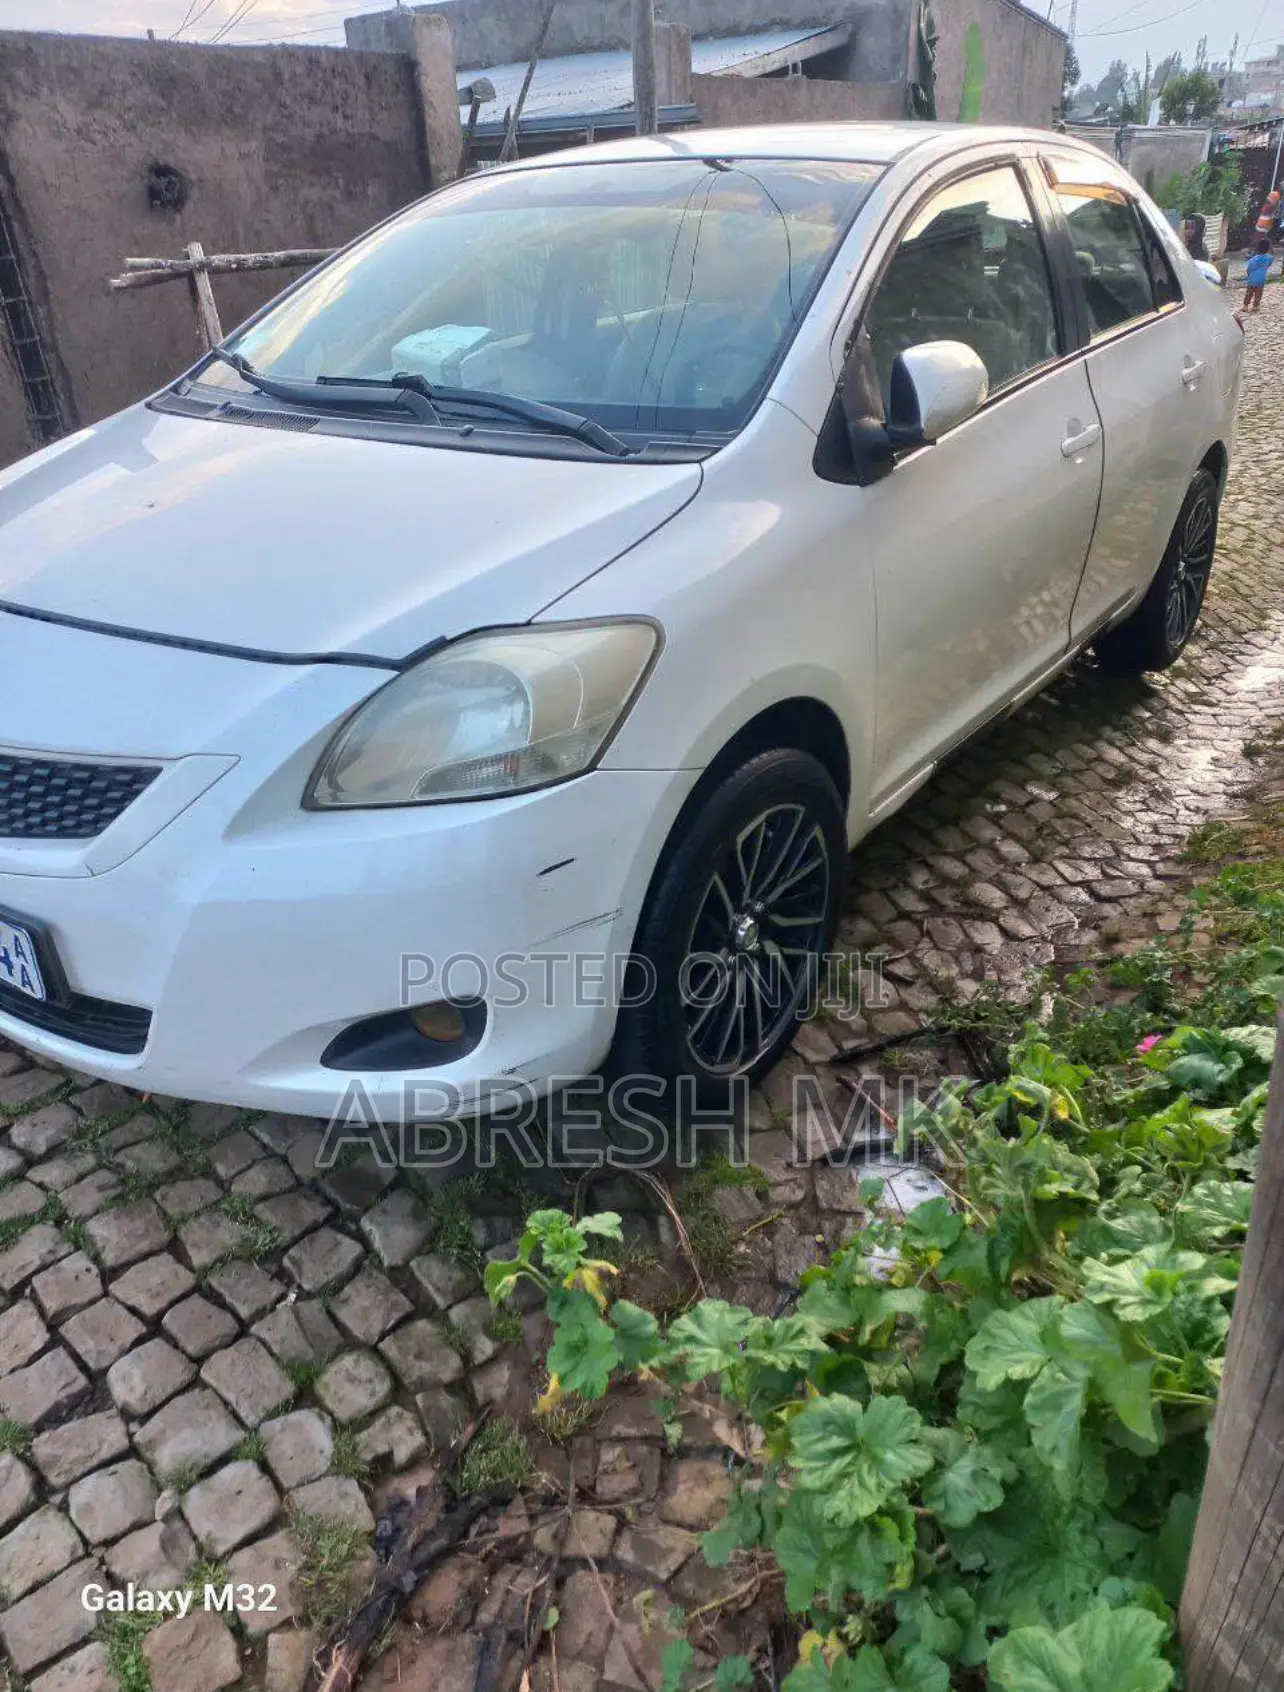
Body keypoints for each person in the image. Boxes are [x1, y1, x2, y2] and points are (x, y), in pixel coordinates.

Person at [1243, 238, 1274, 313]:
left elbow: (1248, 269)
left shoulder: (1254, 259)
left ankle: (1245, 306)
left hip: (1252, 280)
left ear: (1258, 247)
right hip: (1261, 280)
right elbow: (1269, 264)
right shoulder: (1269, 257)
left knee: (1249, 293)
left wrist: (1249, 275)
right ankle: (1255, 306)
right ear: (1268, 248)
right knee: (1258, 294)